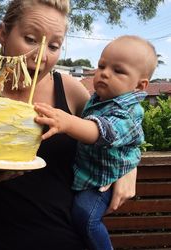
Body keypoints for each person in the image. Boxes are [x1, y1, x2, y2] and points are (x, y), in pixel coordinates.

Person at [0, 1, 137, 249]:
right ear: (3, 33)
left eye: (53, 46)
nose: (41, 56)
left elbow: (119, 128)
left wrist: (128, 169)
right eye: (30, 39)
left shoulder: (70, 90)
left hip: (71, 240)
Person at [34, 35, 157, 250]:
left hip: (103, 181)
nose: (104, 73)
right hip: (88, 176)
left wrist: (67, 121)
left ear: (140, 86)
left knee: (85, 214)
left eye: (118, 71)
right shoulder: (98, 99)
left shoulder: (128, 112)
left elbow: (103, 132)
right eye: (101, 65)